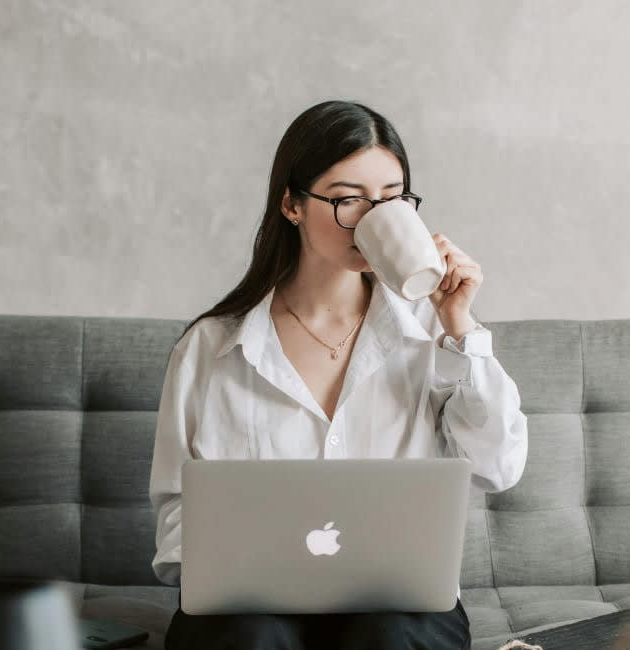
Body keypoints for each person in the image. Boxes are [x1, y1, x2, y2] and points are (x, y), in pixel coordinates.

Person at [149, 100, 529, 650]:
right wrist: (223, 571)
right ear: (292, 205)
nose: (373, 220)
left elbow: (500, 467)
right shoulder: (211, 348)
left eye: (393, 199)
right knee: (252, 637)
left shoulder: (434, 337)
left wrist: (460, 328)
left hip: (395, 605)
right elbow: (175, 511)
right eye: (349, 200)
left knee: (392, 635)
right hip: (249, 609)